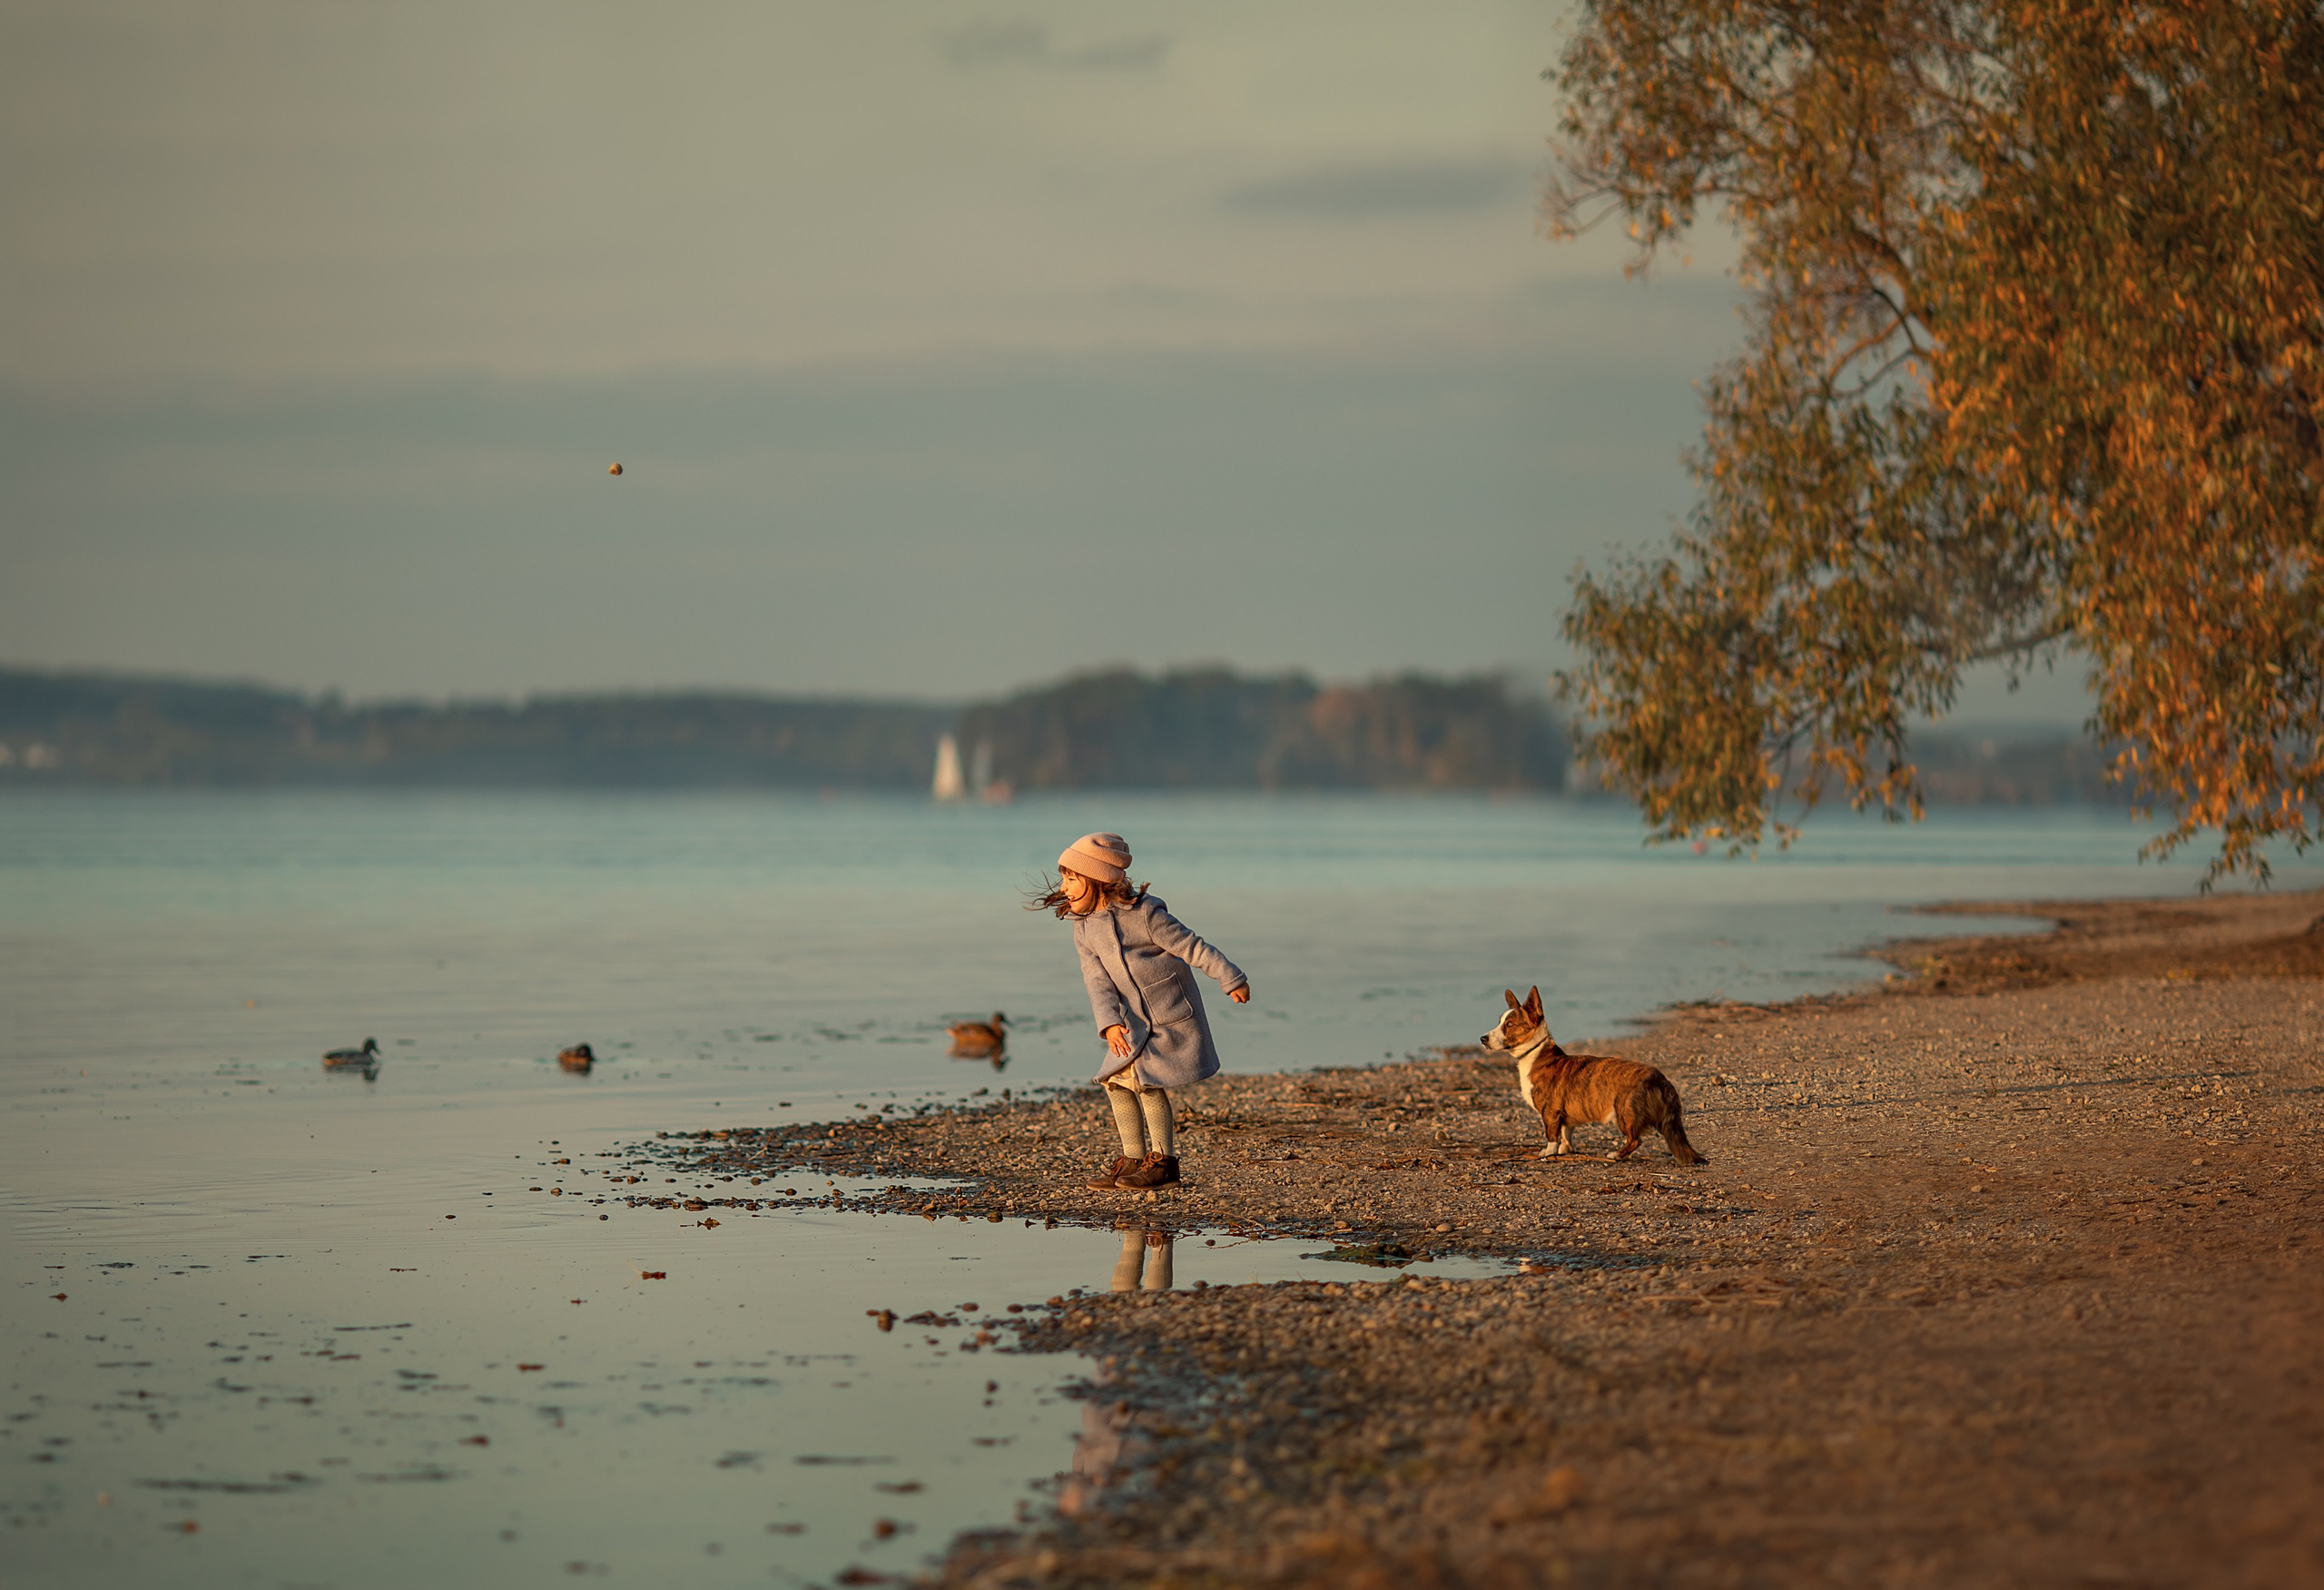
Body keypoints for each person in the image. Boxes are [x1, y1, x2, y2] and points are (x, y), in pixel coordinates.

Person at [1029, 832, 1248, 1190]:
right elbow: (1096, 980)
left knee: (1148, 1083)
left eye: (1072, 878)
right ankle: (1134, 1159)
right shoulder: (1083, 928)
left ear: (1098, 879)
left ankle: (1163, 1163)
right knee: (1116, 1083)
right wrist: (1109, 1022)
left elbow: (1192, 947)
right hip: (1131, 1023)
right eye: (1064, 878)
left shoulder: (1145, 914)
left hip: (1169, 1015)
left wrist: (1231, 977)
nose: (1064, 887)